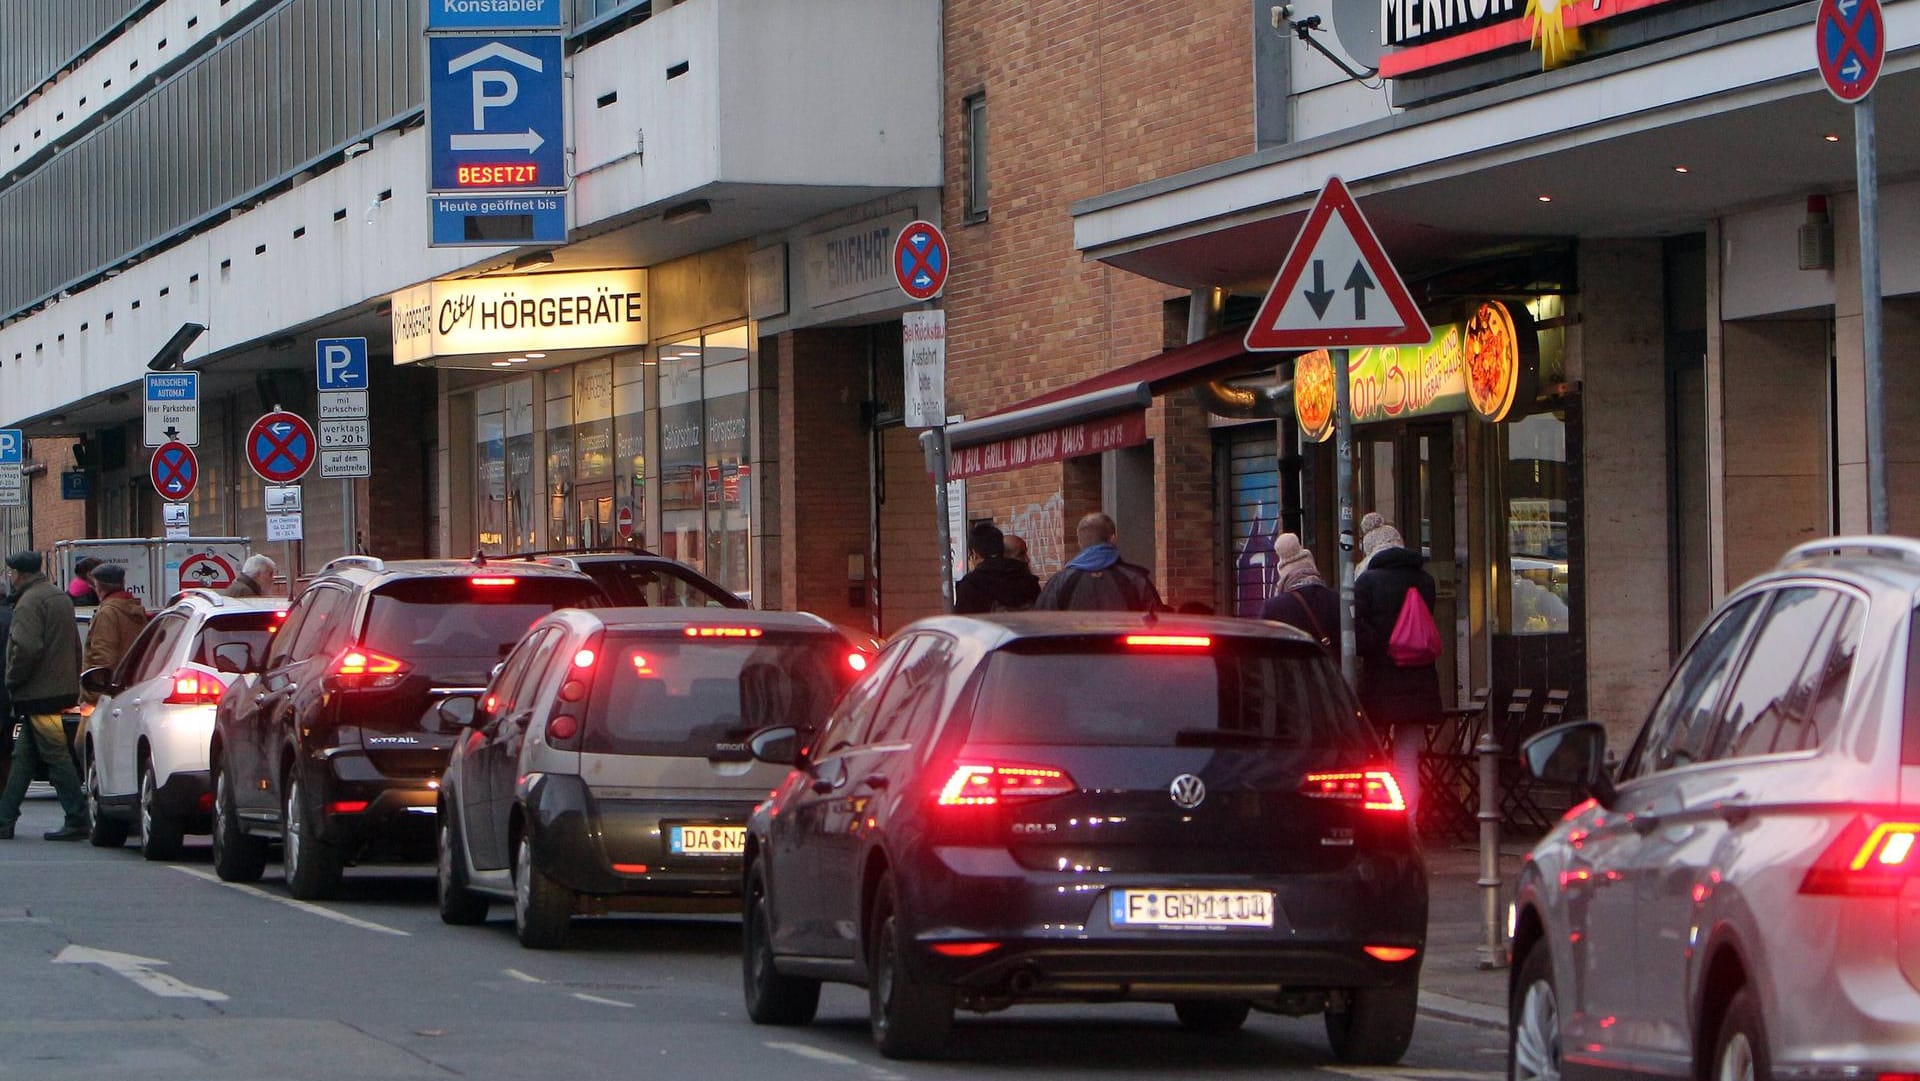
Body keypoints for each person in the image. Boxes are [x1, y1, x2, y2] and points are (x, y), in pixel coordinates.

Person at [1352, 526, 1441, 823]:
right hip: (1419, 680)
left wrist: (1378, 646)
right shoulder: (1425, 581)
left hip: (1381, 680)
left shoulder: (1367, 582)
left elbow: (1359, 636)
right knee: (1407, 757)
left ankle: (1377, 821)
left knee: (1373, 754)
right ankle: (1409, 823)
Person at [0, 551, 87, 841]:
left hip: (38, 692)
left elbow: (25, 648)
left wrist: (12, 679)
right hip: (58, 688)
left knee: (55, 754)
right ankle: (4, 819)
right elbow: (75, 644)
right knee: (23, 757)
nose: (11, 578)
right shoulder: (59, 597)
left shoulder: (29, 602)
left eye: (12, 573)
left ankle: (77, 816)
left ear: (21, 575)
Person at [1033, 512, 1164, 613]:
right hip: (1121, 647)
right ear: (1113, 539)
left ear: (1080, 542)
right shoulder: (1135, 579)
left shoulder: (1059, 582)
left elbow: (1042, 623)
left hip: (1073, 647)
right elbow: (1156, 620)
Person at [1259, 534, 1339, 653]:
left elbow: (1262, 650)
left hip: (1292, 671)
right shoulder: (1335, 599)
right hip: (1328, 670)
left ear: (1283, 573)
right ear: (1311, 565)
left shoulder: (1273, 607)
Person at [83, 562, 149, 689]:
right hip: (132, 686)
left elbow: (103, 661)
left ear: (99, 588)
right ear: (123, 583)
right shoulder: (134, 609)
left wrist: (92, 695)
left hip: (109, 694)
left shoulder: (107, 613)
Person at [954, 523, 1040, 614]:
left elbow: (962, 623)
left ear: (974, 554)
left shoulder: (971, 584)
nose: (1027, 559)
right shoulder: (1028, 580)